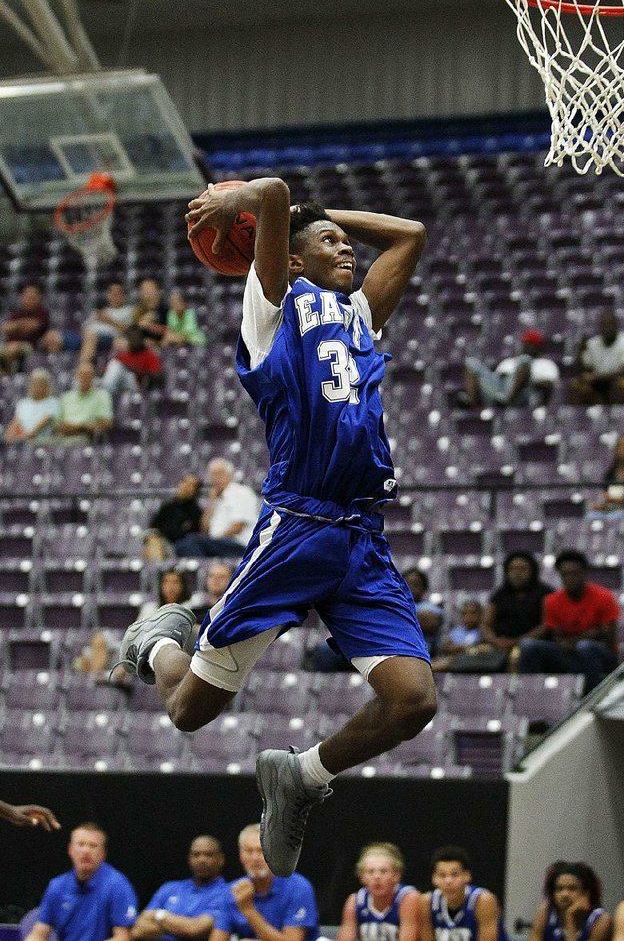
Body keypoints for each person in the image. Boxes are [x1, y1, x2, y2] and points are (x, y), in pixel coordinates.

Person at [116, 183, 435, 880]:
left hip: (361, 538)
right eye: (326, 242)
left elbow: (407, 233)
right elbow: (274, 193)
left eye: (344, 241)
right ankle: (162, 640)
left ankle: (302, 776)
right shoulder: (272, 311)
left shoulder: (357, 316)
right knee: (188, 711)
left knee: (415, 701)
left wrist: (320, 217)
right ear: (288, 262)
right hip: (298, 527)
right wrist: (263, 207)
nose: (345, 245)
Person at [518, 550, 619, 693]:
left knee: (585, 647)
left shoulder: (604, 597)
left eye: (575, 573)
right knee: (528, 646)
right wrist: (586, 635)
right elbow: (556, 636)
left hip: (600, 655)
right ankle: (533, 694)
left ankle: (591, 698)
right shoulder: (551, 600)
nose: (570, 578)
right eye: (565, 574)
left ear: (584, 573)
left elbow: (608, 635)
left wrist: (576, 640)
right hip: (569, 652)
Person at [25, 822, 138, 941]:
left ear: (103, 853)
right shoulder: (57, 886)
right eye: (80, 844)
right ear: (70, 849)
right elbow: (39, 933)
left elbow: (123, 937)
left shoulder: (118, 885)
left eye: (93, 845)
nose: (86, 851)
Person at [209, 823, 319, 941]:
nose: (255, 858)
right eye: (249, 851)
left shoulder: (298, 887)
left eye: (262, 851)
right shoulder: (233, 891)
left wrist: (248, 910)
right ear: (240, 855)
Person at [131, 834, 228, 940]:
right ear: (189, 859)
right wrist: (179, 929)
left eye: (208, 855)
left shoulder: (227, 893)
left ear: (221, 859)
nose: (202, 860)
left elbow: (195, 929)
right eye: (196, 855)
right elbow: (138, 930)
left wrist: (159, 915)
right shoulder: (169, 888)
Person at [173, 458, 261, 559]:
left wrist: (214, 540)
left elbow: (238, 526)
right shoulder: (217, 498)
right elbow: (204, 529)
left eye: (220, 473)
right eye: (213, 475)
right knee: (181, 545)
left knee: (191, 542)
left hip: (237, 544)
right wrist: (211, 503)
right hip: (218, 545)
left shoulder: (240, 492)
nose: (216, 478)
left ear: (230, 475)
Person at [481, 552, 553, 669]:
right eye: (512, 569)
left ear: (532, 571)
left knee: (521, 654)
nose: (517, 574)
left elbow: (546, 626)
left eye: (522, 569)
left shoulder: (546, 593)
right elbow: (485, 625)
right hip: (499, 645)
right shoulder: (499, 595)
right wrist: (496, 641)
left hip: (532, 646)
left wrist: (517, 641)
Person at [419, 845, 504, 941]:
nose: (448, 881)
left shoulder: (483, 901)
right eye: (442, 875)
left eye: (454, 874)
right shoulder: (426, 902)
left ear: (467, 876)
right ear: (434, 878)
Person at [338, 842, 418, 941]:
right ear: (362, 877)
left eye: (383, 871)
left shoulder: (408, 898)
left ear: (396, 875)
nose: (377, 877)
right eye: (370, 872)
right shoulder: (355, 901)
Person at [461, 329, 558, 409]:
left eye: (530, 344)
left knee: (525, 360)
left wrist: (528, 379)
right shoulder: (509, 361)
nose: (526, 346)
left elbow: (547, 385)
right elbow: (497, 379)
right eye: (525, 343)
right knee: (470, 362)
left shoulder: (547, 364)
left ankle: (507, 400)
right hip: (498, 392)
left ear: (538, 347)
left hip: (523, 397)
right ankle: (476, 408)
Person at [568, 312, 624, 405]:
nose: (607, 327)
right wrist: (580, 352)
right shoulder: (592, 344)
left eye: (610, 324)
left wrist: (598, 377)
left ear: (616, 325)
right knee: (578, 387)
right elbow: (584, 371)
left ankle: (620, 417)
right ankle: (580, 418)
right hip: (600, 385)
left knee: (618, 385)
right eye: (603, 324)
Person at [529, 861, 612, 941]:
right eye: (559, 889)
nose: (564, 894)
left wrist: (569, 917)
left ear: (586, 893)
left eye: (572, 889)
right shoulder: (545, 912)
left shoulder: (601, 920)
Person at [143, 473, 204, 562]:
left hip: (178, 549)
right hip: (161, 544)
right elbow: (153, 527)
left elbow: (186, 535)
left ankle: (159, 569)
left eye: (192, 485)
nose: (186, 487)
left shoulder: (196, 512)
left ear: (195, 491)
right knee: (152, 540)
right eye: (184, 482)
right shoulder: (167, 507)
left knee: (154, 543)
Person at [55, 361, 114, 444]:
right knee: (37, 445)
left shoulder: (102, 396)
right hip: (63, 436)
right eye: (82, 375)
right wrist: (69, 427)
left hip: (86, 437)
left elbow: (107, 423)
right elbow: (58, 425)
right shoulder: (66, 397)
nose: (84, 378)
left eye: (88, 375)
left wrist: (81, 427)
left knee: (72, 443)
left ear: (93, 377)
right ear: (77, 377)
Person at [80, 279, 137, 364]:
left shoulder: (131, 311)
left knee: (91, 337)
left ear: (124, 296)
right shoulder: (102, 311)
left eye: (118, 293)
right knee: (54, 337)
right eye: (112, 293)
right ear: (108, 295)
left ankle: (83, 368)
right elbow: (84, 327)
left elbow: (130, 331)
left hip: (111, 339)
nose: (114, 295)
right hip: (92, 338)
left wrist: (109, 321)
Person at [0, 282, 50, 373]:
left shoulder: (41, 313)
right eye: (27, 296)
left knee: (14, 348)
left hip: (29, 347)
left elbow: (34, 326)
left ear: (38, 298)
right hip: (8, 344)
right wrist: (21, 325)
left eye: (32, 296)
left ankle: (8, 375)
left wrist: (16, 326)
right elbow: (5, 327)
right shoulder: (16, 313)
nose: (29, 298)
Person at [590, 433, 624, 517]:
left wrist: (617, 500)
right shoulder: (609, 474)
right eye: (620, 446)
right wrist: (600, 506)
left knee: (617, 515)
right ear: (616, 449)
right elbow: (606, 501)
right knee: (591, 515)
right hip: (610, 511)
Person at [3, 368, 61, 444]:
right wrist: (8, 438)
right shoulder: (23, 403)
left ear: (47, 386)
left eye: (40, 384)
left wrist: (23, 438)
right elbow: (16, 422)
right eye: (34, 384)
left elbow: (44, 422)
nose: (37, 387)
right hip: (20, 440)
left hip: (41, 442)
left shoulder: (53, 402)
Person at [101, 325, 163, 395]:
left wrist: (136, 371)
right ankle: (106, 393)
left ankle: (105, 394)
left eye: (136, 337)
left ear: (142, 339)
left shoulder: (149, 355)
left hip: (137, 386)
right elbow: (107, 373)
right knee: (115, 364)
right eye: (131, 338)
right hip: (118, 386)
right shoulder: (122, 355)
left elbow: (157, 376)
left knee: (128, 373)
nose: (134, 340)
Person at [133, 277, 170, 346]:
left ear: (157, 291)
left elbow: (170, 331)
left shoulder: (166, 309)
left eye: (149, 288)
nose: (145, 291)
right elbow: (133, 332)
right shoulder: (138, 310)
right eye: (142, 289)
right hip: (142, 346)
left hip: (162, 345)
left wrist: (149, 326)